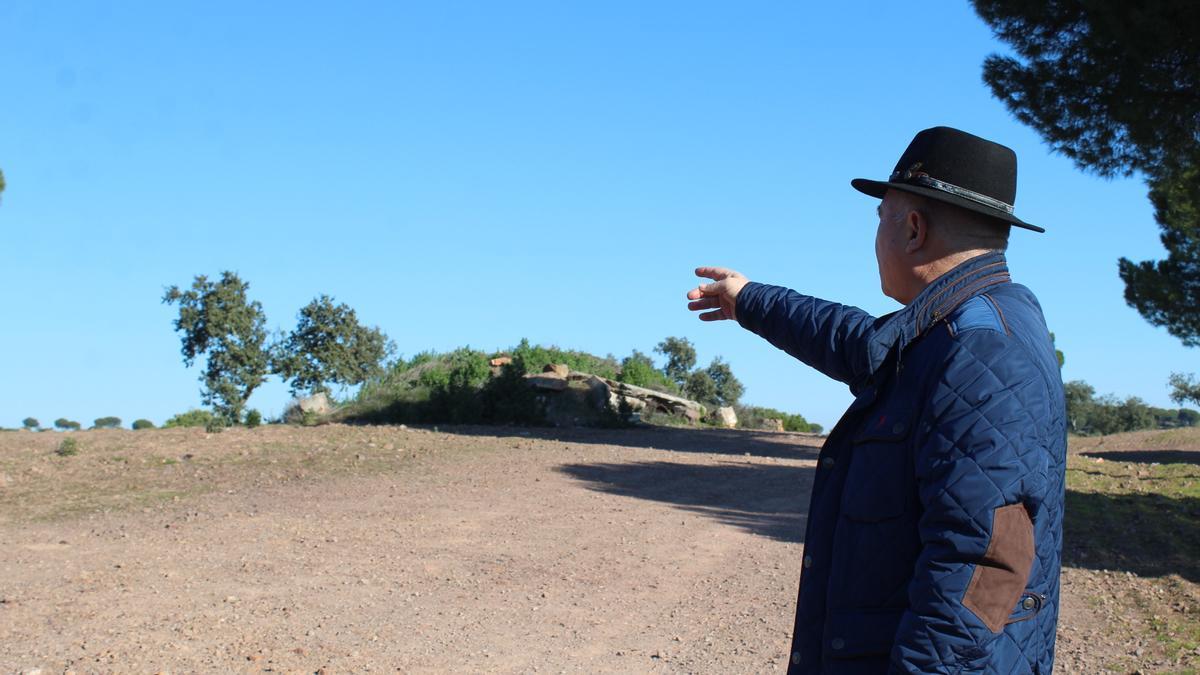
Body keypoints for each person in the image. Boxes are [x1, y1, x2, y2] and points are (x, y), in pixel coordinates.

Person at [686, 126, 1066, 674]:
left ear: (913, 228)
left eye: (880, 218)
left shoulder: (982, 347)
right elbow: (858, 342)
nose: (875, 237)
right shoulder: (955, 327)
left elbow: (984, 564)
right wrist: (749, 300)